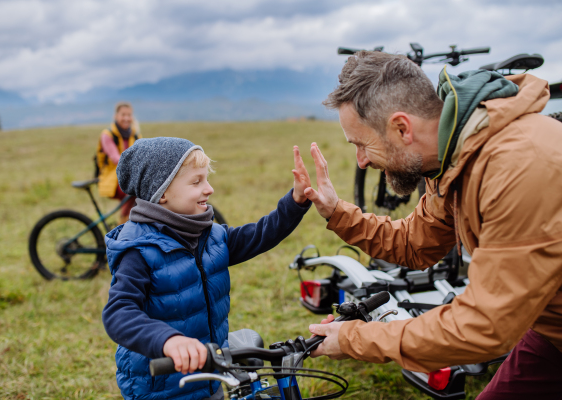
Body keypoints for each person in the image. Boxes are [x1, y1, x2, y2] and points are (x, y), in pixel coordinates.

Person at [298, 51, 562, 399]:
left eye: (362, 145)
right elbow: (415, 243)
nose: (361, 162)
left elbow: (482, 327)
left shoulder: (519, 166)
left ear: (402, 128)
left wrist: (354, 339)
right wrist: (337, 213)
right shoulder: (450, 156)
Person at [102, 137, 312, 400]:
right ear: (162, 192)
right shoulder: (139, 250)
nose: (209, 189)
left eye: (206, 179)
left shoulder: (209, 235)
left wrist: (295, 202)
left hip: (210, 376)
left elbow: (259, 235)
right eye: (196, 181)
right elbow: (119, 313)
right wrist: (168, 340)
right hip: (160, 387)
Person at [96, 102, 141, 224]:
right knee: (132, 189)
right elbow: (116, 158)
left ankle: (129, 221)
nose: (126, 118)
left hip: (129, 176)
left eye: (129, 115)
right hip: (111, 177)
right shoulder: (107, 135)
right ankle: (123, 221)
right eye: (123, 115)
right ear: (115, 116)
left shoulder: (135, 134)